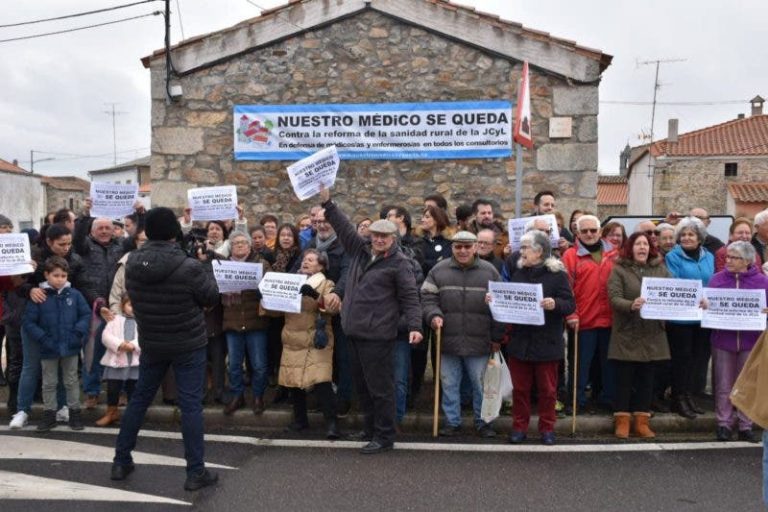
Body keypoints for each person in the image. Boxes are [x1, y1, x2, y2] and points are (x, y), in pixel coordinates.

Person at [112, 207, 220, 491]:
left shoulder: (132, 262)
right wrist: (205, 264)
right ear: (174, 232)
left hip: (152, 341)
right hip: (188, 344)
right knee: (190, 406)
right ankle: (195, 471)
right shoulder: (189, 266)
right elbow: (210, 297)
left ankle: (121, 460)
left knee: (140, 399)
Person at [319, 185, 422, 454]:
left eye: (384, 236)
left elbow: (410, 296)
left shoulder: (399, 264)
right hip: (353, 330)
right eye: (376, 235)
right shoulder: (359, 250)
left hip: (378, 335)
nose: (379, 240)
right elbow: (342, 227)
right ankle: (370, 428)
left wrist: (415, 326)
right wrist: (328, 204)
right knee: (362, 387)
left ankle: (385, 436)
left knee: (380, 388)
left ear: (393, 238)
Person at [422, 231, 503, 438]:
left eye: (468, 246)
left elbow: (502, 304)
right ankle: (452, 422)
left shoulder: (490, 271)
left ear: (475, 247)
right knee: (449, 383)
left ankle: (483, 422)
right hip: (448, 339)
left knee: (480, 385)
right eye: (458, 246)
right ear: (452, 248)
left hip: (479, 340)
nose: (463, 250)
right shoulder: (438, 270)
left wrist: (496, 337)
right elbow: (427, 298)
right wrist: (433, 315)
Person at [500, 230, 574, 445]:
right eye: (521, 247)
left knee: (547, 390)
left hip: (547, 342)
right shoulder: (518, 272)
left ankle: (547, 428)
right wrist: (495, 300)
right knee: (520, 389)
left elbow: (570, 304)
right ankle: (519, 427)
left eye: (525, 248)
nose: (520, 252)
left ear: (539, 251)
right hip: (521, 341)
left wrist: (555, 304)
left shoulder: (557, 275)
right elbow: (510, 300)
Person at [11, 224, 85, 428]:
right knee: (31, 367)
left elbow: (82, 289)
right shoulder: (33, 257)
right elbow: (15, 284)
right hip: (36, 321)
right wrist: (29, 289)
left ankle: (61, 408)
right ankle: (22, 410)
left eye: (69, 243)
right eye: (62, 244)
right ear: (49, 242)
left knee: (62, 371)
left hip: (62, 324)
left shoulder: (75, 259)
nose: (66, 247)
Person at [269, 249, 340, 439]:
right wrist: (265, 299)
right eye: (304, 259)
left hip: (315, 339)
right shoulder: (291, 282)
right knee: (293, 382)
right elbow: (276, 312)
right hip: (292, 338)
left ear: (321, 265)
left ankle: (332, 423)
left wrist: (316, 296)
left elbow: (333, 309)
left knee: (322, 381)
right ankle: (300, 421)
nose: (305, 262)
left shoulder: (327, 283)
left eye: (310, 260)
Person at [607, 232, 671, 439]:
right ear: (630, 248)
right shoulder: (619, 270)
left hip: (652, 333)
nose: (642, 248)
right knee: (624, 379)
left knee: (647, 379)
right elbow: (614, 298)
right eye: (637, 244)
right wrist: (631, 305)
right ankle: (622, 421)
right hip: (628, 331)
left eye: (645, 244)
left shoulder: (661, 270)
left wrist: (695, 303)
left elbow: (675, 293)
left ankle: (642, 422)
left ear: (650, 248)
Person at [706, 241, 768, 442]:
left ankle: (745, 425)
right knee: (723, 383)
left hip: (751, 341)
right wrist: (705, 306)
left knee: (748, 384)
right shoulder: (716, 280)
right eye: (728, 257)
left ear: (748, 261)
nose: (729, 261)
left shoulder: (762, 282)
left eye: (734, 257)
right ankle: (723, 423)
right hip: (723, 339)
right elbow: (707, 306)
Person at [22, 256, 90, 431]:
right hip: (48, 347)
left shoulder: (74, 295)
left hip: (71, 346)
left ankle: (75, 413)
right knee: (49, 382)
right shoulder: (39, 296)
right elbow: (29, 322)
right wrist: (43, 339)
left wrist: (77, 334)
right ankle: (49, 414)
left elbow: (86, 315)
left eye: (63, 275)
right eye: (56, 275)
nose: (60, 279)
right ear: (46, 275)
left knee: (71, 381)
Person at [562, 214, 618, 412]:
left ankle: (606, 398)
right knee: (580, 366)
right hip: (583, 320)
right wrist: (571, 314)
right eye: (584, 231)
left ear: (600, 231)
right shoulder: (570, 255)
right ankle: (576, 401)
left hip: (611, 320)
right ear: (577, 233)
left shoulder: (615, 254)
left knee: (609, 364)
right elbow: (566, 289)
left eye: (593, 230)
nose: (589, 234)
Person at [73, 208, 126, 408]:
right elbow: (77, 237)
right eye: (100, 228)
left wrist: (140, 213)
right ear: (92, 231)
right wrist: (84, 216)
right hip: (92, 307)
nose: (104, 231)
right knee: (91, 353)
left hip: (116, 308)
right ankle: (92, 392)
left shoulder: (121, 246)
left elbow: (139, 235)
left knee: (118, 352)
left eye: (107, 228)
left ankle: (120, 391)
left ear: (114, 230)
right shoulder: (85, 246)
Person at [664, 216, 714, 419]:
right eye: (683, 234)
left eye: (691, 234)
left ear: (699, 237)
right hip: (680, 319)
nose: (686, 238)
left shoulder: (708, 256)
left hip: (702, 317)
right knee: (681, 359)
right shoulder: (673, 257)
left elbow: (713, 281)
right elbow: (674, 282)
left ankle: (688, 395)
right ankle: (678, 397)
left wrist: (708, 297)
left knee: (696, 359)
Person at [221, 231, 272, 416]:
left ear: (250, 246)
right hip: (232, 321)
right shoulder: (222, 266)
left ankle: (258, 396)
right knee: (234, 364)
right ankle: (237, 395)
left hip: (256, 322)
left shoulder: (262, 264)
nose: (240, 245)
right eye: (236, 243)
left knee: (259, 364)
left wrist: (262, 290)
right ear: (231, 247)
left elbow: (272, 287)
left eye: (243, 242)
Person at [96, 295, 141, 427]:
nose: (133, 308)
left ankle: (133, 417)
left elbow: (147, 336)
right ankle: (111, 413)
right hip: (116, 361)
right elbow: (105, 336)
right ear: (123, 306)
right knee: (113, 388)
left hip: (135, 361)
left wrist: (133, 345)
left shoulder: (143, 321)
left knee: (134, 388)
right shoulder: (114, 320)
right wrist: (120, 344)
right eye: (130, 305)